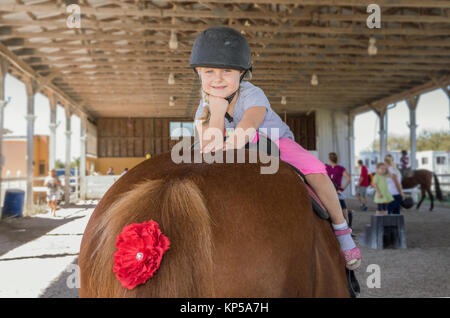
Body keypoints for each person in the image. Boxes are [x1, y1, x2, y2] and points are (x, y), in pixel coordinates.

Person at [191, 26, 361, 270]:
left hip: (272, 141)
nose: (218, 78)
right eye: (209, 71)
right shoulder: (203, 108)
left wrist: (232, 141)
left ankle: (341, 229)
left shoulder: (252, 93)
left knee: (315, 169)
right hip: (231, 150)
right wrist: (216, 111)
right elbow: (209, 144)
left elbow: (251, 122)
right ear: (199, 73)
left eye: (226, 71)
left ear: (241, 73)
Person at [325, 153, 351, 224]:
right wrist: (342, 189)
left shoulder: (326, 168)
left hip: (329, 190)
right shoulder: (341, 168)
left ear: (329, 159)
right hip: (337, 190)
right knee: (343, 207)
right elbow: (349, 179)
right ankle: (348, 224)